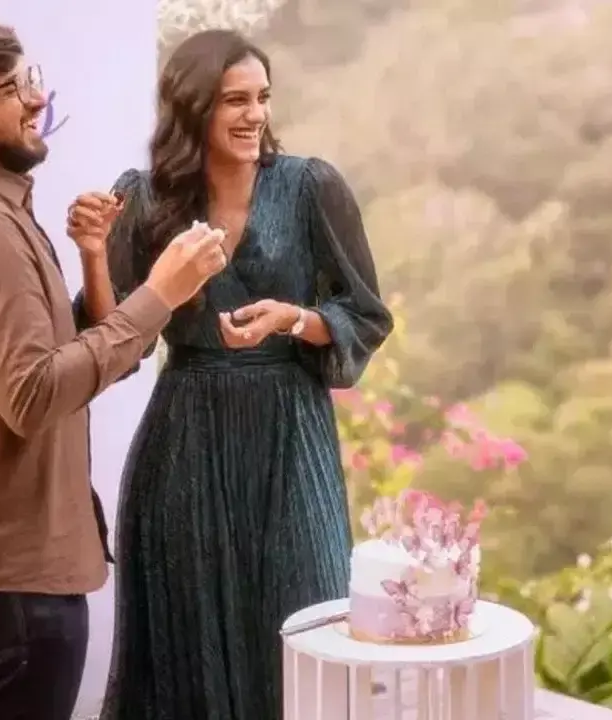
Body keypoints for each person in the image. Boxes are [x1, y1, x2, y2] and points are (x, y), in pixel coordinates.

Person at [0, 17, 228, 720]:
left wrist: (95, 259)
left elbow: (46, 360)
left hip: (5, 573)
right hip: (8, 577)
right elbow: (35, 395)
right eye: (10, 89)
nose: (36, 99)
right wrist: (161, 294)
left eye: (31, 78)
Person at [68, 29, 394, 720]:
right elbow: (111, 340)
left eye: (262, 98)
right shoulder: (144, 198)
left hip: (290, 439)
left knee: (305, 630)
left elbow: (365, 313)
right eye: (234, 101)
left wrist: (294, 319)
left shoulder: (309, 187)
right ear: (193, 108)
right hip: (184, 444)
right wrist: (95, 255)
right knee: (185, 653)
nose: (255, 115)